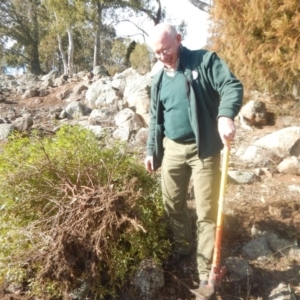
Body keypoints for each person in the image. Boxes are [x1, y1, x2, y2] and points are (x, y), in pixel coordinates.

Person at [144, 23, 243, 294]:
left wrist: (225, 115)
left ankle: (204, 273)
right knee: (172, 204)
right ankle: (183, 246)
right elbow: (155, 119)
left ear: (178, 39)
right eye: (156, 53)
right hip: (173, 149)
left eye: (165, 49)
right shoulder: (159, 80)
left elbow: (231, 85)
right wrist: (151, 151)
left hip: (205, 149)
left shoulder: (204, 61)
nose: (162, 56)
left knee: (206, 212)